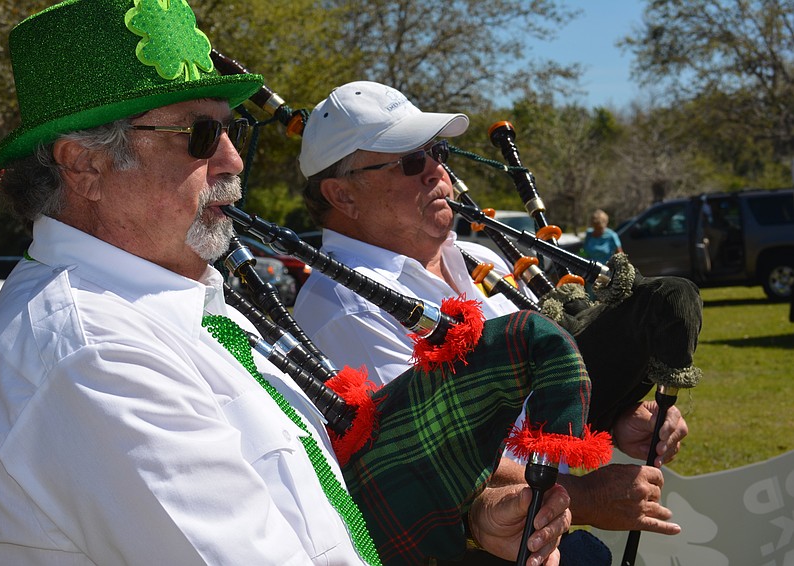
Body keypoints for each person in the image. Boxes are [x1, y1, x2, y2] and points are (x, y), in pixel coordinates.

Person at [0, 2, 573, 565]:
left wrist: (468, 519)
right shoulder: (94, 354)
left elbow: (310, 512)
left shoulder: (180, 302)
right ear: (84, 165)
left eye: (231, 129)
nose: (233, 161)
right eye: (199, 135)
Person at [293, 81, 688, 545]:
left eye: (438, 151)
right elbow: (432, 456)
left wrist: (618, 419)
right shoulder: (341, 304)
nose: (438, 172)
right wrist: (581, 495)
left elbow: (532, 392)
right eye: (411, 160)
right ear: (343, 196)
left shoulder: (483, 260)